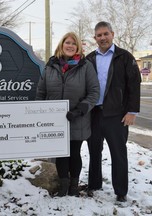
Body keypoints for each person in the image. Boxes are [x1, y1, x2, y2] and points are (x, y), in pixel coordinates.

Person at [35, 32, 100, 197]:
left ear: (77, 47)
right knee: (60, 154)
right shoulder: (51, 66)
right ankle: (63, 185)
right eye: (67, 43)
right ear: (62, 45)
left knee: (74, 151)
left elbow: (94, 92)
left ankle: (73, 186)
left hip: (78, 118)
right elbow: (41, 92)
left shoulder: (86, 66)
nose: (70, 46)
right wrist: (40, 113)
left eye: (73, 43)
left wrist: (80, 110)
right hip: (55, 120)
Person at [86, 21, 141, 202]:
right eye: (99, 35)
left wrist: (132, 111)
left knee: (118, 153)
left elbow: (134, 85)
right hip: (94, 113)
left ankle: (121, 191)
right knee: (94, 150)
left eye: (105, 34)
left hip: (117, 115)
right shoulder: (89, 59)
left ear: (112, 34)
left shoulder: (124, 57)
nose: (103, 38)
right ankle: (94, 185)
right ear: (95, 38)